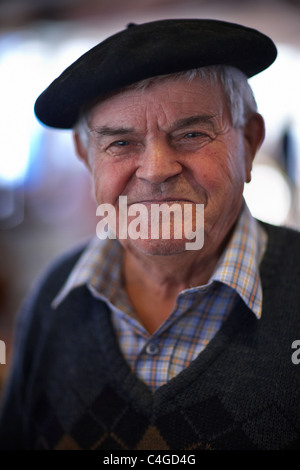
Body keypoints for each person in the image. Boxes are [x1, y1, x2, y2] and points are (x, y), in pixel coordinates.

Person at [0, 18, 300, 451]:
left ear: (249, 142)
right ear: (87, 158)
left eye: (192, 134)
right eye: (120, 143)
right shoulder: (51, 299)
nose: (158, 169)